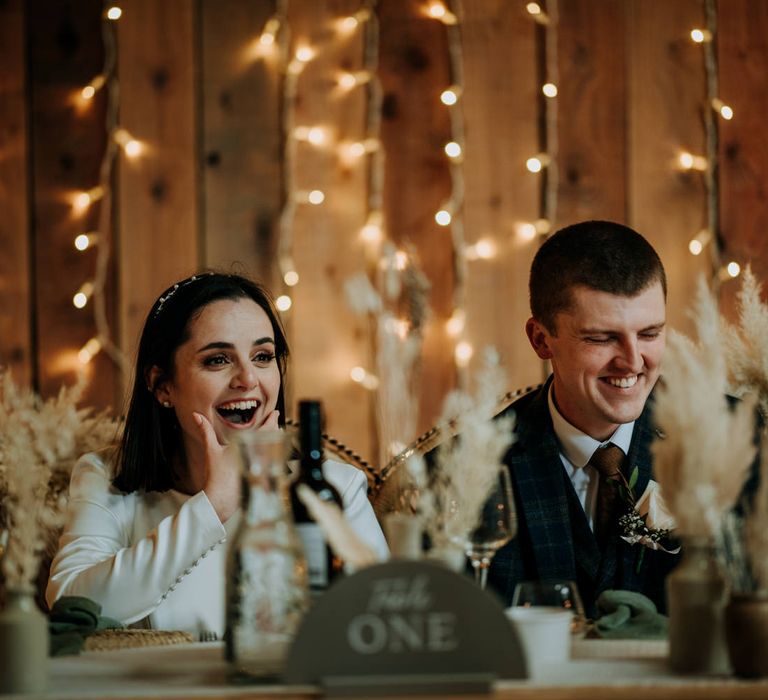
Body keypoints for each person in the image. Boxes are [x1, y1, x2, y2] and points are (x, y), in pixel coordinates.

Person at [47, 272, 389, 637]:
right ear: (162, 385)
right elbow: (72, 605)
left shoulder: (335, 488)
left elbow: (381, 620)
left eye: (262, 356)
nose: (247, 379)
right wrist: (212, 506)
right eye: (217, 360)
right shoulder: (105, 477)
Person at [486, 220, 679, 617]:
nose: (632, 362)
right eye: (601, 338)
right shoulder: (470, 471)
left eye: (649, 334)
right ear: (541, 339)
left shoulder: (742, 441)